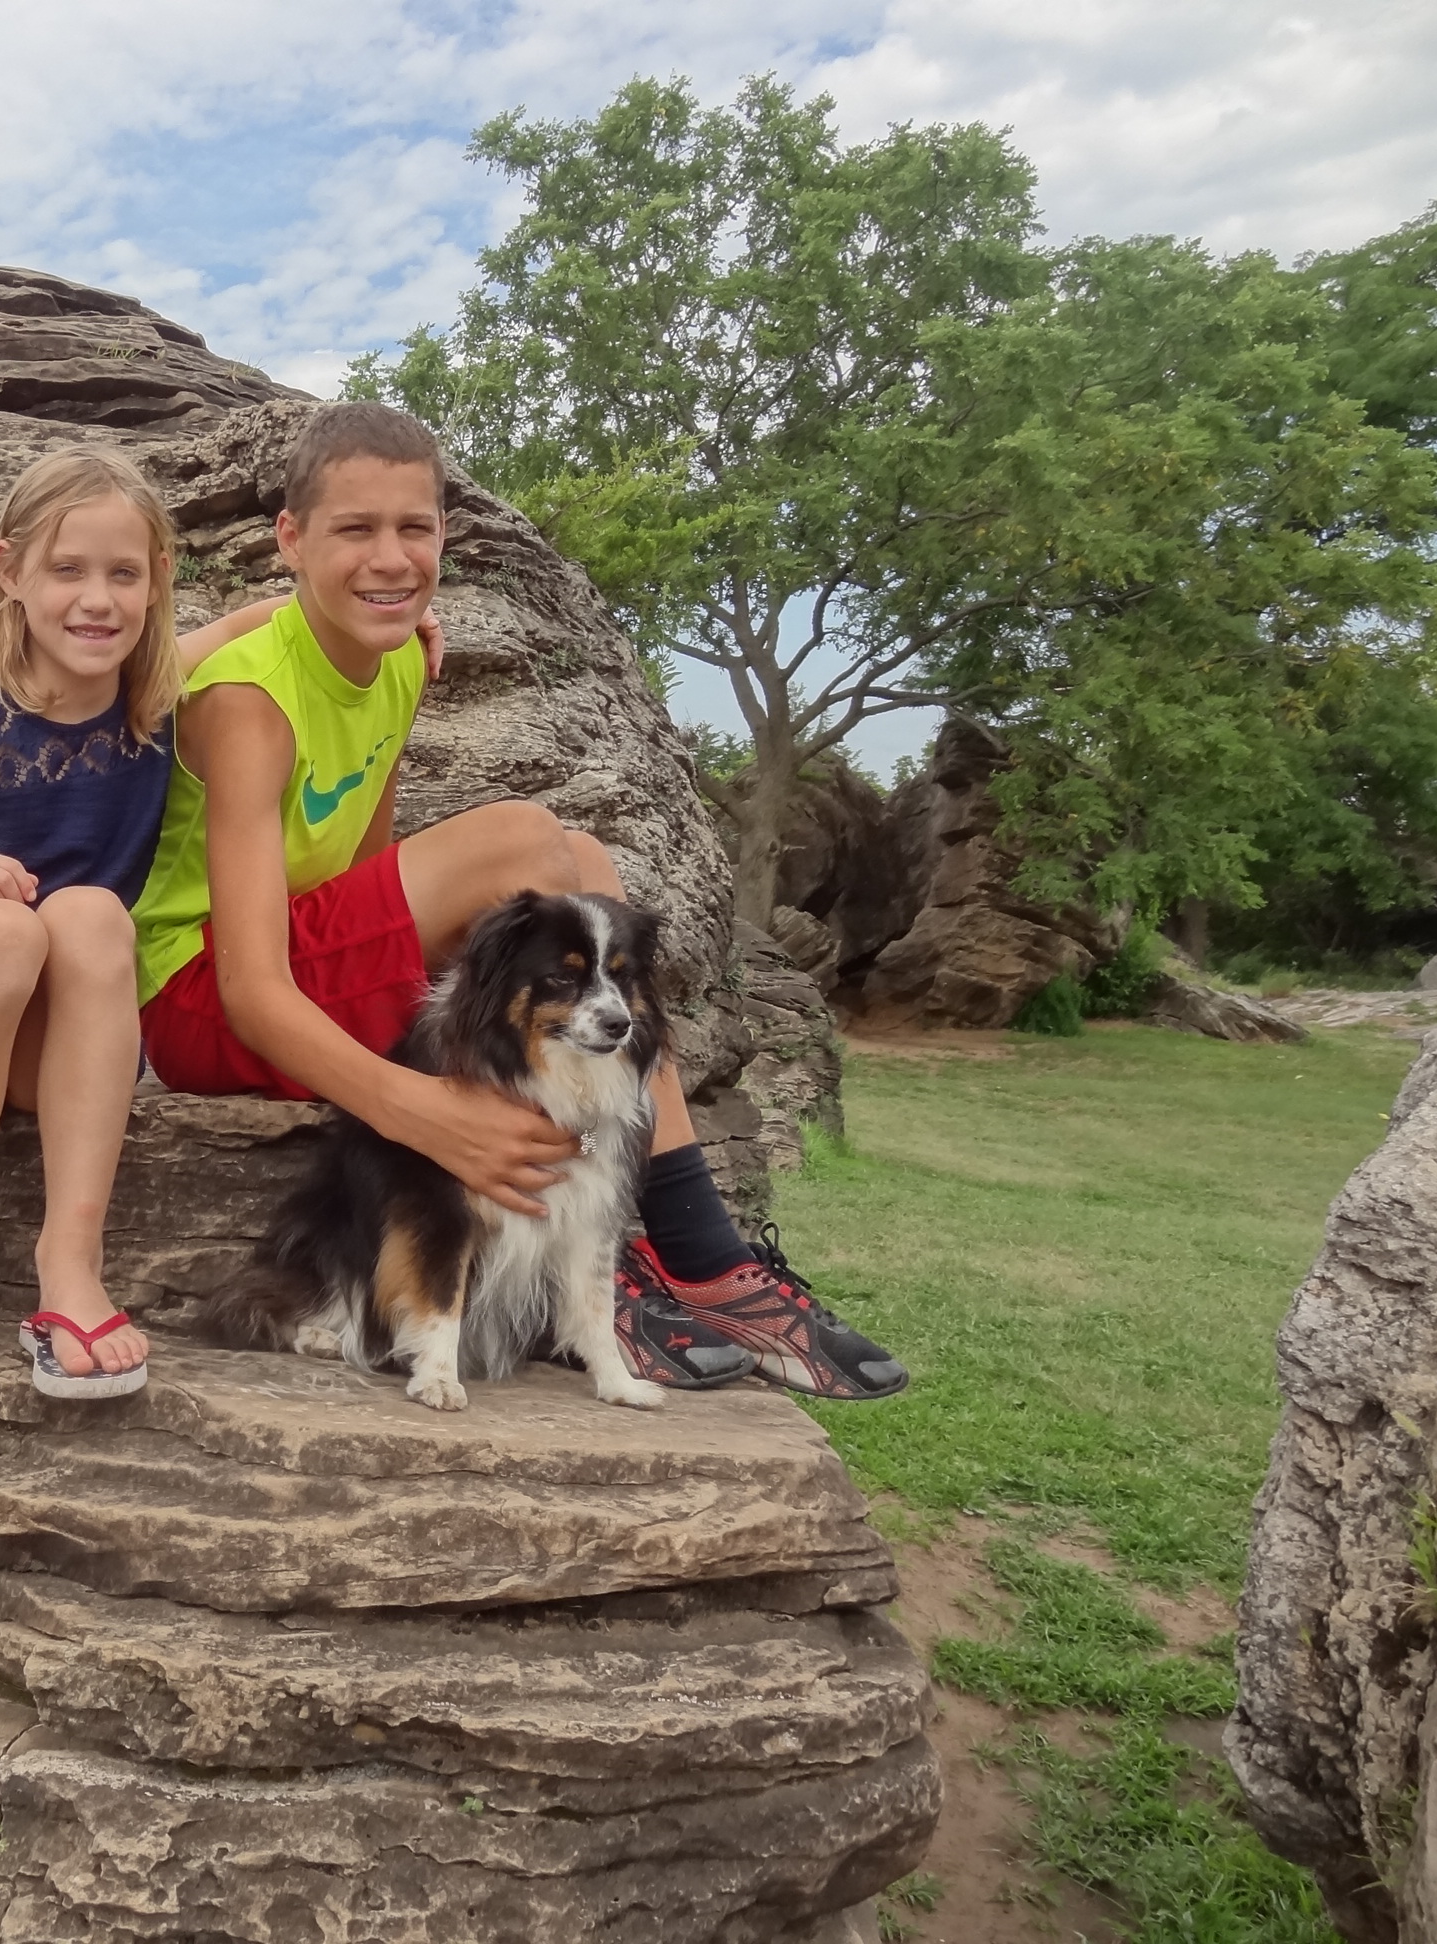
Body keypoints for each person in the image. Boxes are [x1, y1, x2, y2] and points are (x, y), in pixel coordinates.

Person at [129, 402, 907, 1401]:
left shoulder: (400, 659)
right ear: (291, 540)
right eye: (355, 529)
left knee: (579, 860)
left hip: (304, 965)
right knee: (528, 843)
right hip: (201, 1001)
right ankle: (681, 1249)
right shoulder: (248, 702)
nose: (390, 558)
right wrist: (423, 1112)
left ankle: (669, 1240)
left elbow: (359, 881)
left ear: (444, 533)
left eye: (414, 528)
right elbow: (250, 988)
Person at [0, 445, 355, 1400]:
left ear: (158, 581)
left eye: (124, 574)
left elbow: (264, 618)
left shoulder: (152, 701)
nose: (97, 601)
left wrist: (383, 621)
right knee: (2, 929)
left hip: (57, 1034)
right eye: (67, 570)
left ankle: (70, 1266)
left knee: (93, 915)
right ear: (10, 572)